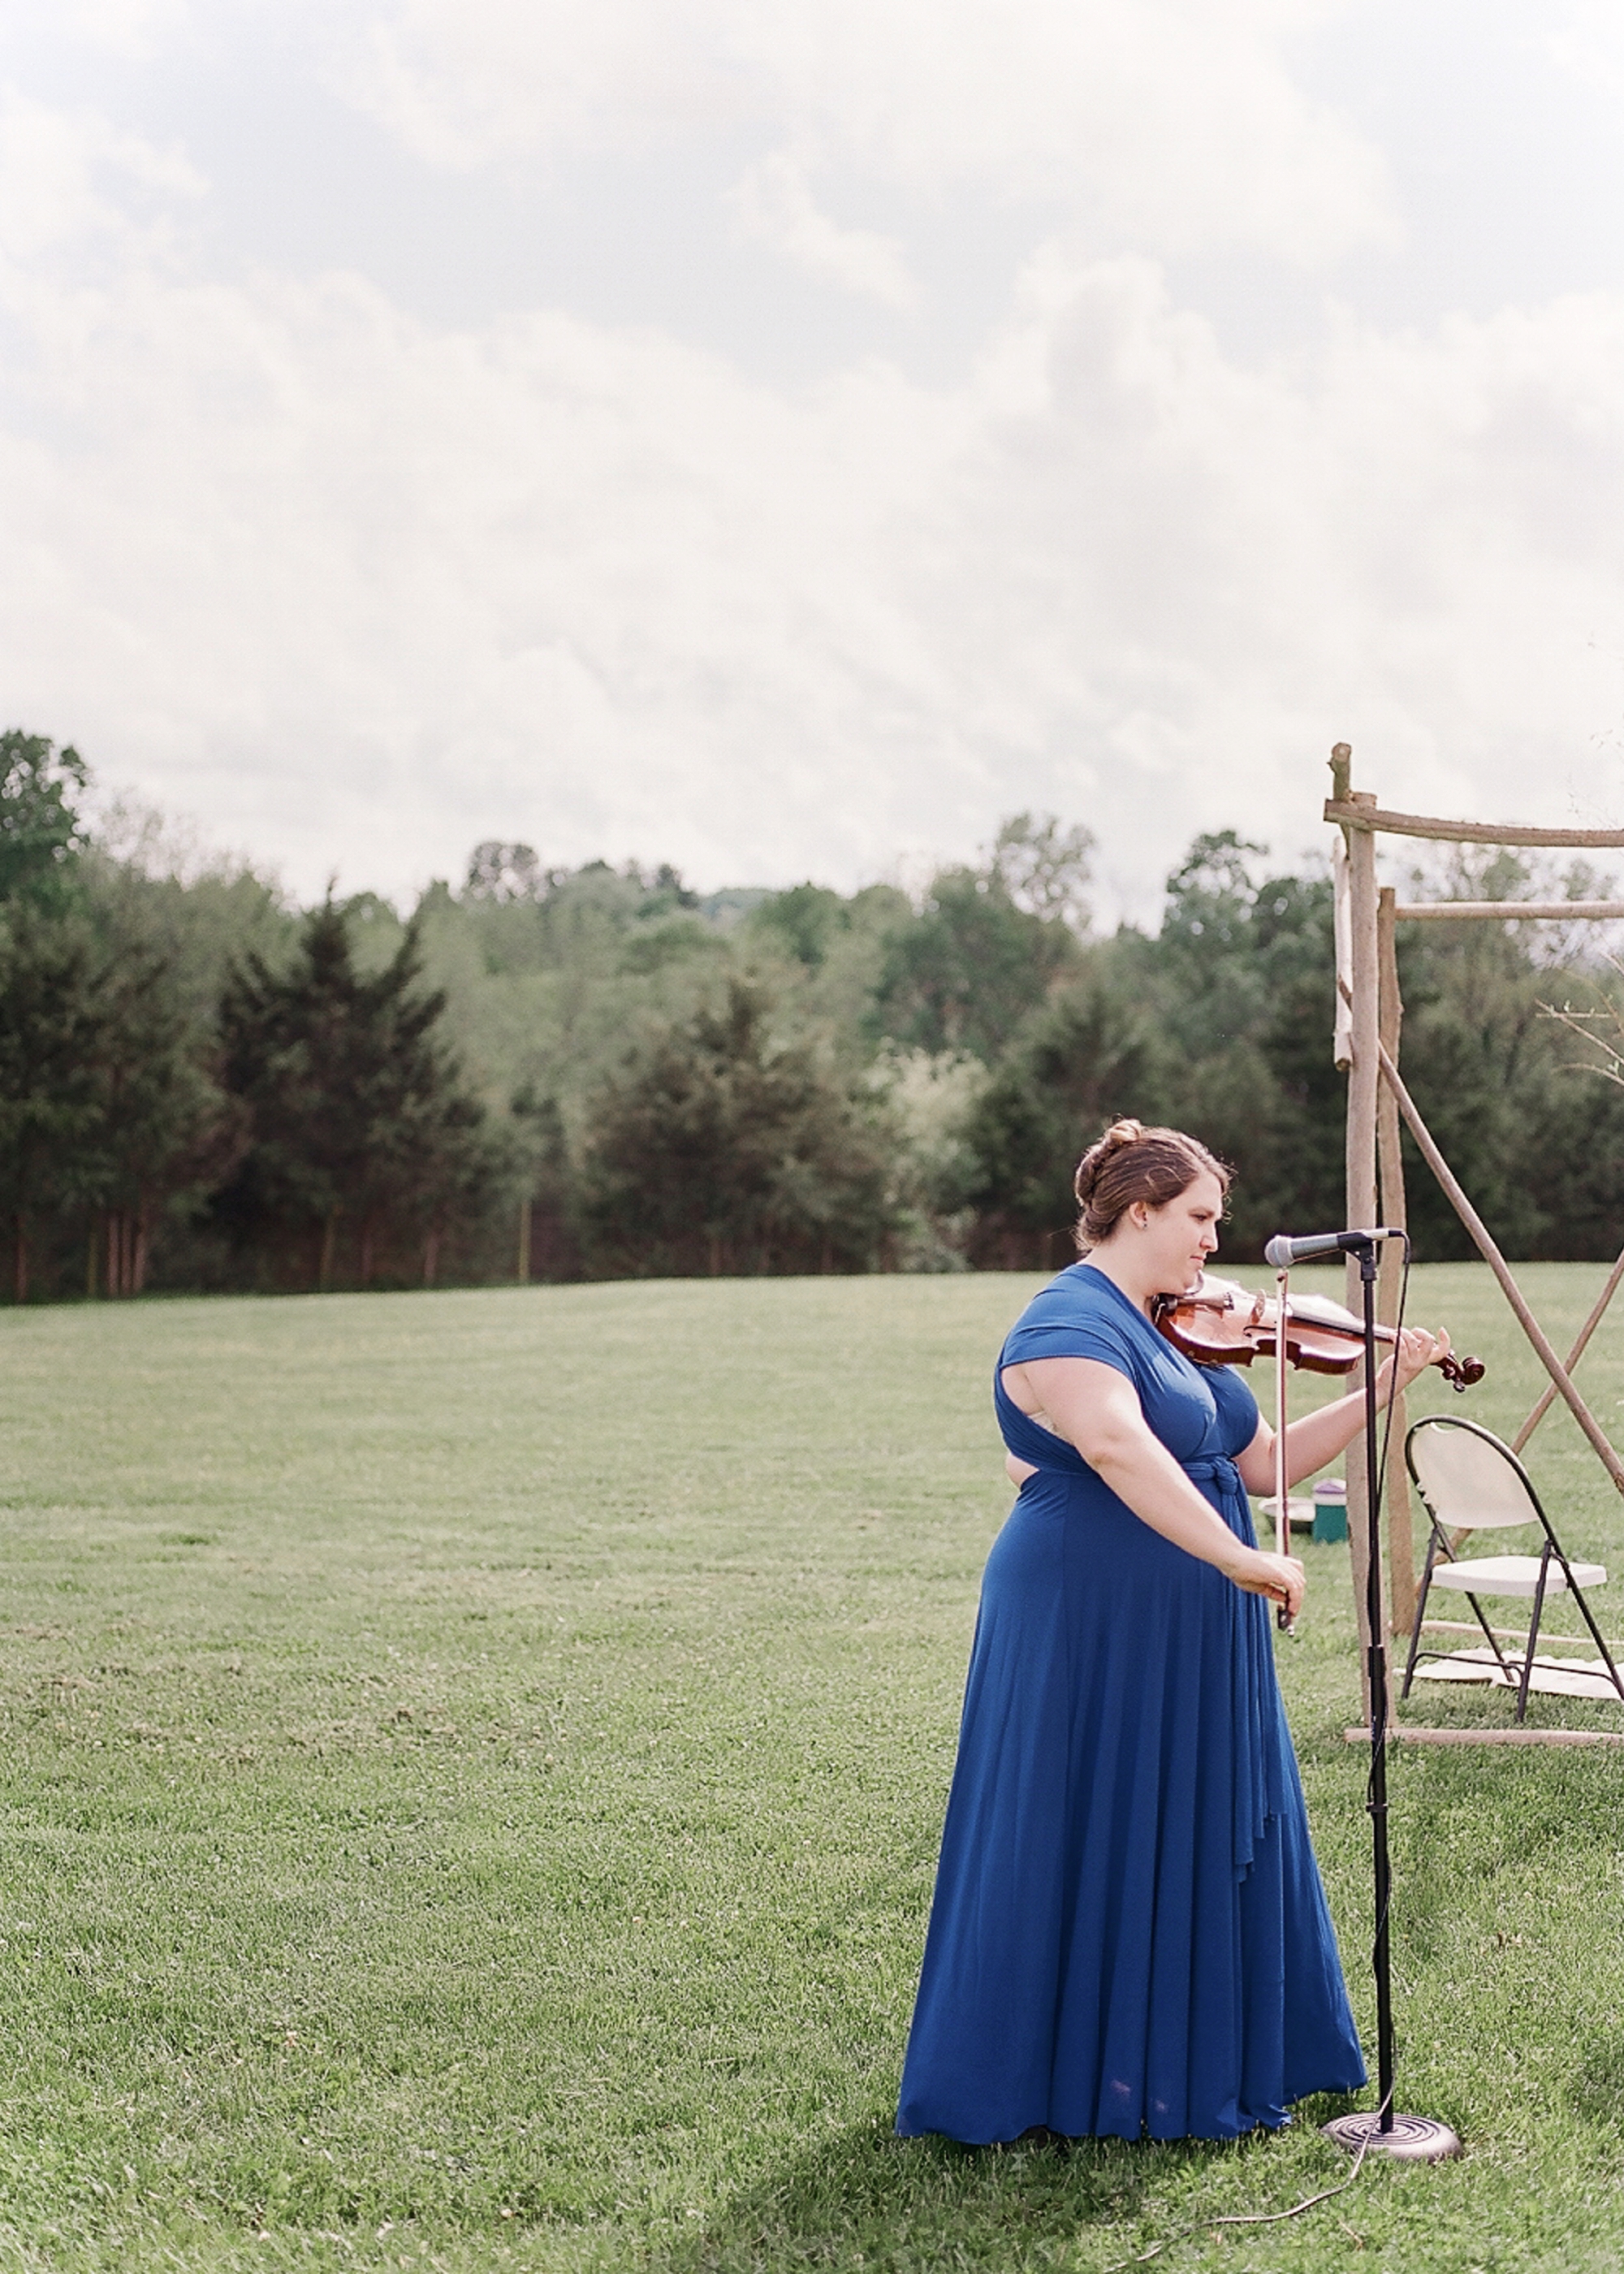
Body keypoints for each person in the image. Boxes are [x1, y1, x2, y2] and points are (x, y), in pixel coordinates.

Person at [896, 1118, 1445, 2146]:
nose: (1211, 1240)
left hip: (1188, 1622)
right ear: (1137, 1211)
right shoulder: (1066, 1319)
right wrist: (1240, 1559)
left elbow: (1263, 1465)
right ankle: (1044, 2078)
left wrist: (1382, 1385)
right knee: (1079, 1821)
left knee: (1192, 1813)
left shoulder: (1170, 1321)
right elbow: (1109, 1443)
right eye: (1198, 1217)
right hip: (1084, 1617)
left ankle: (1192, 2060)